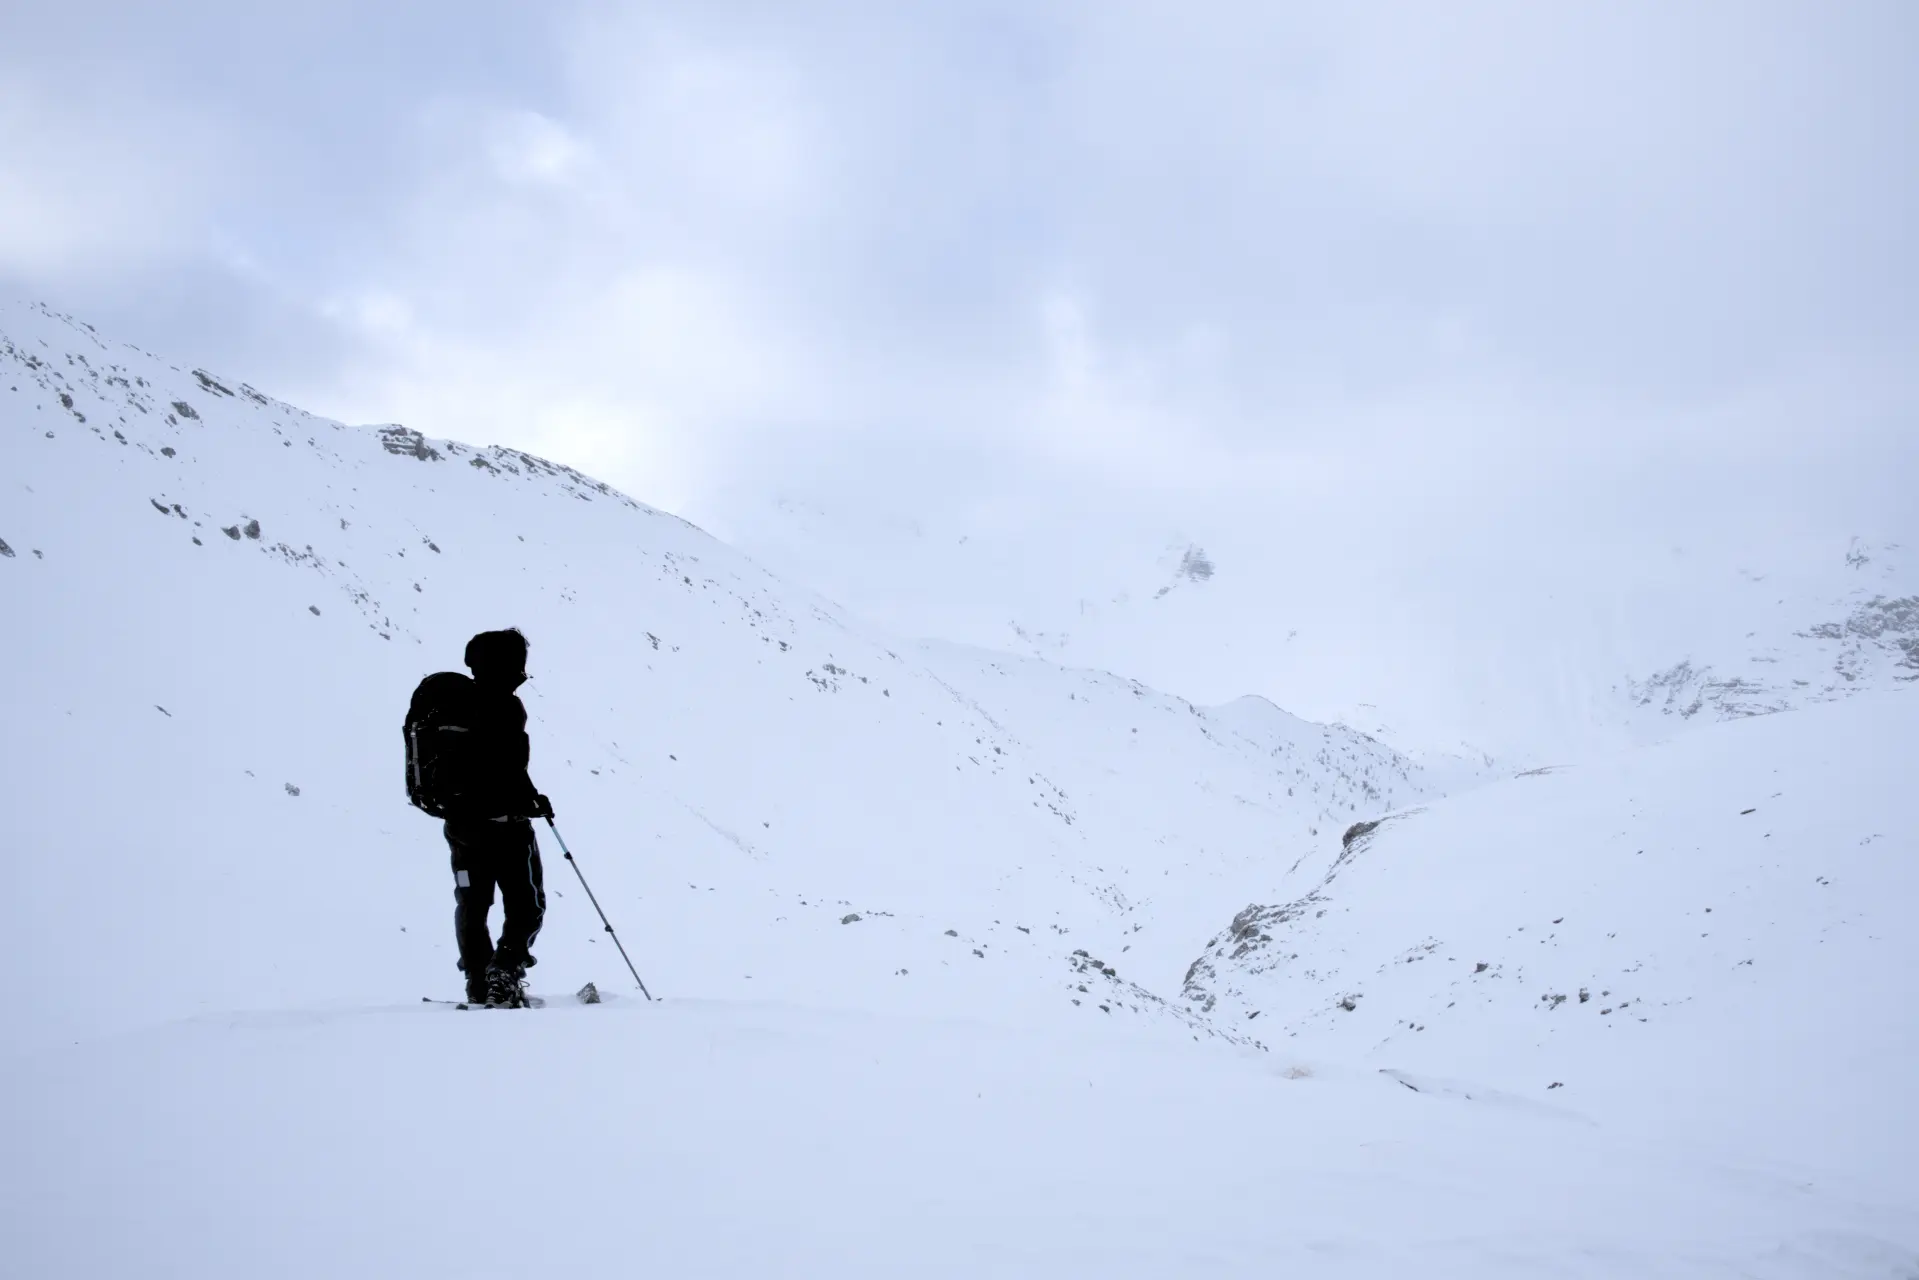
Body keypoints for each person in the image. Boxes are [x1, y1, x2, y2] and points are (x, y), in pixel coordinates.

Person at [445, 628, 554, 1007]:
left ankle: (477, 980)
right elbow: (509, 767)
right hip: (507, 827)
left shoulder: (451, 704)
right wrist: (532, 802)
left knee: (472, 904)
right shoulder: (505, 706)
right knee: (527, 905)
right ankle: (504, 973)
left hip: (460, 826)